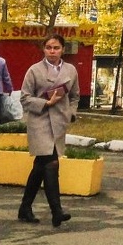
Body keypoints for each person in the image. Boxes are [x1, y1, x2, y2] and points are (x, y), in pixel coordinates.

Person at [17, 33, 80, 227]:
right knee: (52, 163)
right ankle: (56, 211)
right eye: (49, 48)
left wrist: (71, 113)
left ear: (63, 49)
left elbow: (76, 96)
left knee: (40, 167)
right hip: (40, 122)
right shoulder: (34, 70)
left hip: (59, 124)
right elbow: (24, 98)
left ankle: (25, 208)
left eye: (56, 48)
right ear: (43, 50)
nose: (52, 51)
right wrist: (46, 102)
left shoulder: (70, 70)